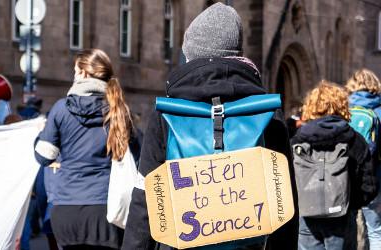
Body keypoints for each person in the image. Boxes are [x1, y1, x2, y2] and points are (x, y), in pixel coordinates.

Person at [122, 3, 298, 250]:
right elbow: (285, 203)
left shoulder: (167, 113)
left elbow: (146, 199)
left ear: (190, 54)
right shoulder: (268, 113)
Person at [34, 48, 133, 249]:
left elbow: (44, 157)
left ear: (84, 73)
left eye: (75, 72)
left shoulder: (61, 108)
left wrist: (40, 135)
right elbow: (135, 156)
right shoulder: (118, 111)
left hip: (66, 211)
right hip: (106, 210)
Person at [291, 80, 377, 250]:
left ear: (311, 106)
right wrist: (352, 205)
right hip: (342, 218)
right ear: (342, 105)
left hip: (307, 216)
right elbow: (368, 185)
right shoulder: (354, 139)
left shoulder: (298, 140)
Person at [345, 69, 381, 250]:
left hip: (346, 178)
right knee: (375, 230)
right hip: (374, 179)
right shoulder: (379, 110)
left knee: (350, 226)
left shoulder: (344, 109)